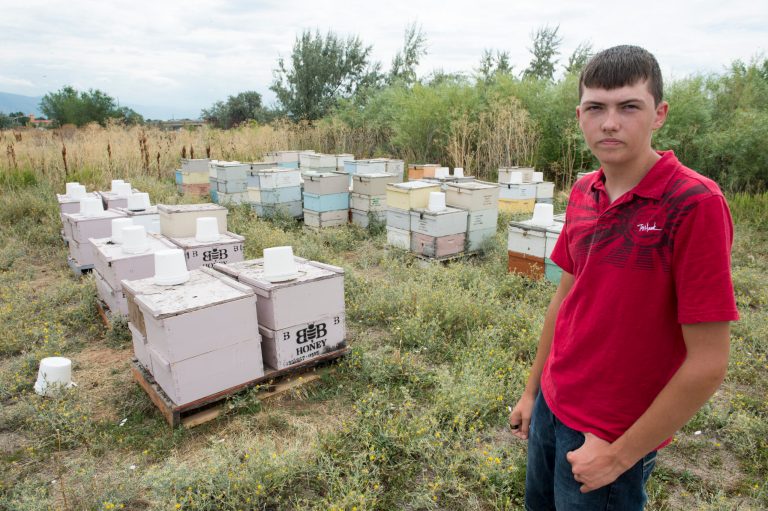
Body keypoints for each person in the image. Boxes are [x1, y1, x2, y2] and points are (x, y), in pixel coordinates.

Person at [508, 45, 739, 510]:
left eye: (628, 106)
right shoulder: (582, 191)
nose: (609, 122)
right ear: (579, 115)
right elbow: (566, 298)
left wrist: (618, 456)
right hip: (553, 406)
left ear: (659, 114)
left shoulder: (693, 203)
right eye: (596, 107)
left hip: (610, 432)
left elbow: (709, 361)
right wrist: (533, 392)